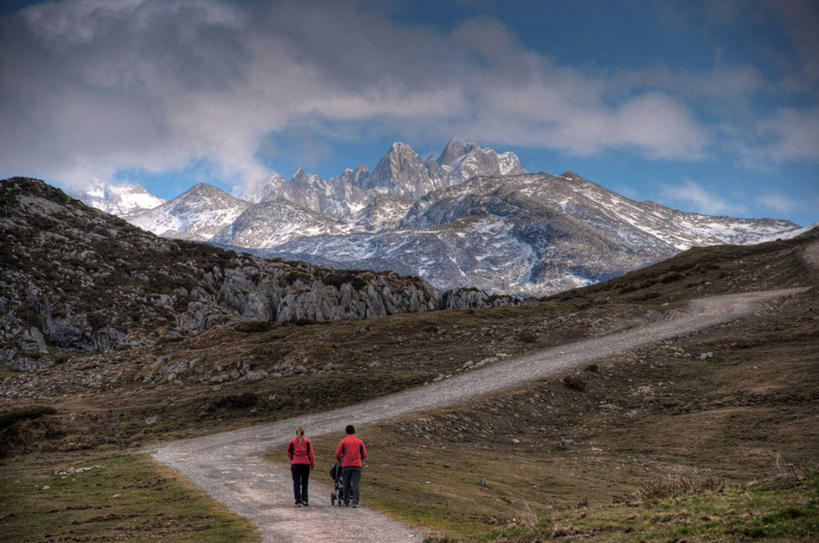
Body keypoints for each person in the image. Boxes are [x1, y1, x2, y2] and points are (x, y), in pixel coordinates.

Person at [335, 424, 367, 507]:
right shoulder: (359, 441)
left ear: (346, 431)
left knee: (346, 483)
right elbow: (364, 454)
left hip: (346, 465)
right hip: (357, 466)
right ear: (354, 431)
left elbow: (337, 453)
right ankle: (355, 502)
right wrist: (360, 459)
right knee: (355, 483)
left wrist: (340, 460)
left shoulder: (343, 441)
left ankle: (346, 501)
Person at [287, 426, 315, 506]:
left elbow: (289, 452)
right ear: (304, 433)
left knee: (296, 482)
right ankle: (305, 500)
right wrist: (312, 464)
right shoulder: (307, 442)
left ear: (296, 433)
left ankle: (298, 501)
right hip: (305, 464)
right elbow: (311, 454)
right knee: (305, 482)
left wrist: (293, 459)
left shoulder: (292, 442)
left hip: (296, 463)